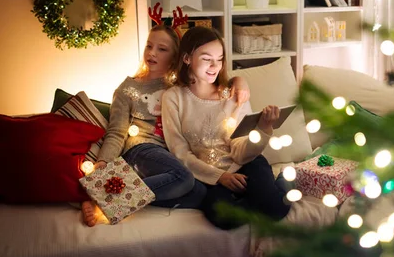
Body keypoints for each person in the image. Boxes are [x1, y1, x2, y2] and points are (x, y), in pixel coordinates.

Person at [82, 24, 250, 226]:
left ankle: (136, 196)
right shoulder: (128, 88)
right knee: (184, 178)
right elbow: (117, 131)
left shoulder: (180, 86)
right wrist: (104, 162)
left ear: (178, 56)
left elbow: (215, 84)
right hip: (142, 149)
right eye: (149, 46)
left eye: (162, 49)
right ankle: (105, 198)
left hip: (171, 156)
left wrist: (240, 80)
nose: (152, 53)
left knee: (200, 193)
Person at [162, 27, 291, 229]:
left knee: (275, 210)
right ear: (187, 58)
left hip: (247, 163)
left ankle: (284, 181)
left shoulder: (233, 94)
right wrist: (220, 177)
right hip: (210, 174)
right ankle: (259, 200)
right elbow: (180, 153)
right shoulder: (173, 98)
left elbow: (241, 150)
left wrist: (264, 129)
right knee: (223, 217)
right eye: (207, 59)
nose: (215, 66)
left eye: (220, 59)